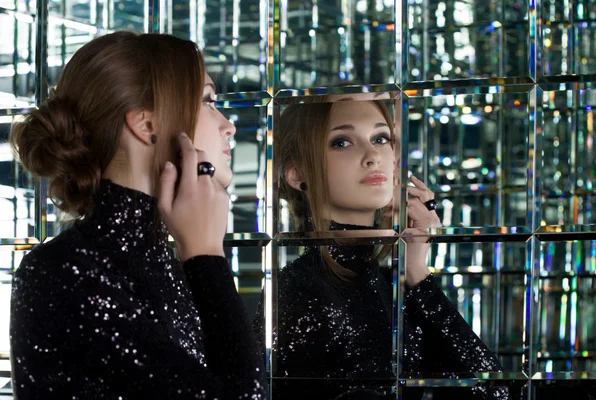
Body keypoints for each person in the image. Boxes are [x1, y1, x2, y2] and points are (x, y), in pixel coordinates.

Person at [9, 31, 266, 399]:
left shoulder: (169, 262)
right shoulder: (62, 273)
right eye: (209, 101)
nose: (229, 125)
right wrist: (207, 256)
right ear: (147, 125)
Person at [253, 96, 509, 399]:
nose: (373, 154)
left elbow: (494, 391)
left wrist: (416, 272)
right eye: (342, 142)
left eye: (380, 138)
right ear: (297, 174)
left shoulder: (395, 282)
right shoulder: (296, 288)